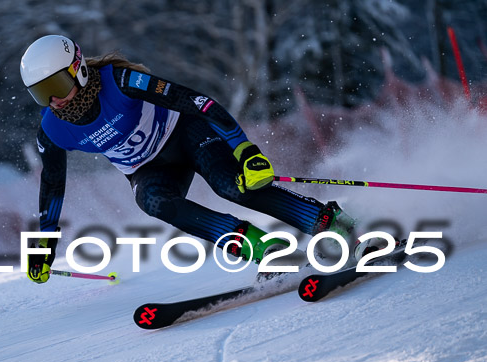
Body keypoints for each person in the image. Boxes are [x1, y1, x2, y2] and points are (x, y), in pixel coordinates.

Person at [21, 34, 361, 284]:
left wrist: (245, 150)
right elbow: (52, 185)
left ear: (78, 69)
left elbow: (197, 101)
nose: (53, 100)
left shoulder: (121, 81)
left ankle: (328, 221)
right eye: (41, 93)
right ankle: (267, 250)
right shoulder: (53, 130)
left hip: (185, 135)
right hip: (148, 168)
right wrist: (45, 243)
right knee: (152, 201)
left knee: (232, 185)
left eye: (56, 84)